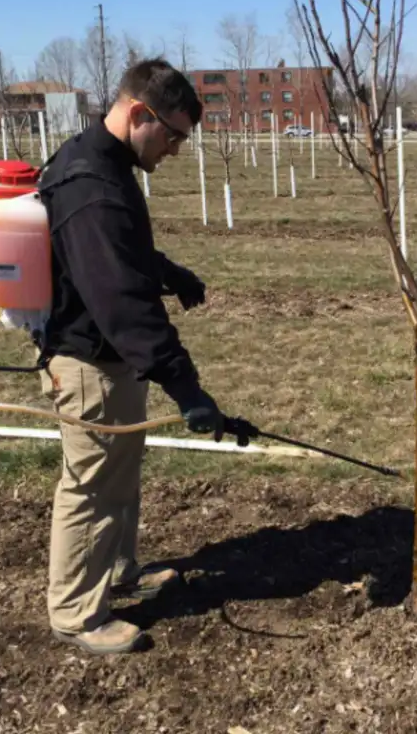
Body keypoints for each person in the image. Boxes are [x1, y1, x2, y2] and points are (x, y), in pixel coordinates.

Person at [36, 58, 256, 655]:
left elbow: (125, 256)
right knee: (91, 486)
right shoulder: (92, 184)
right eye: (175, 135)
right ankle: (77, 614)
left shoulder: (106, 162)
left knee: (120, 475)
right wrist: (187, 390)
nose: (178, 149)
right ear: (139, 114)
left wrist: (170, 272)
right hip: (89, 362)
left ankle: (119, 572)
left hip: (110, 360)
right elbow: (124, 304)